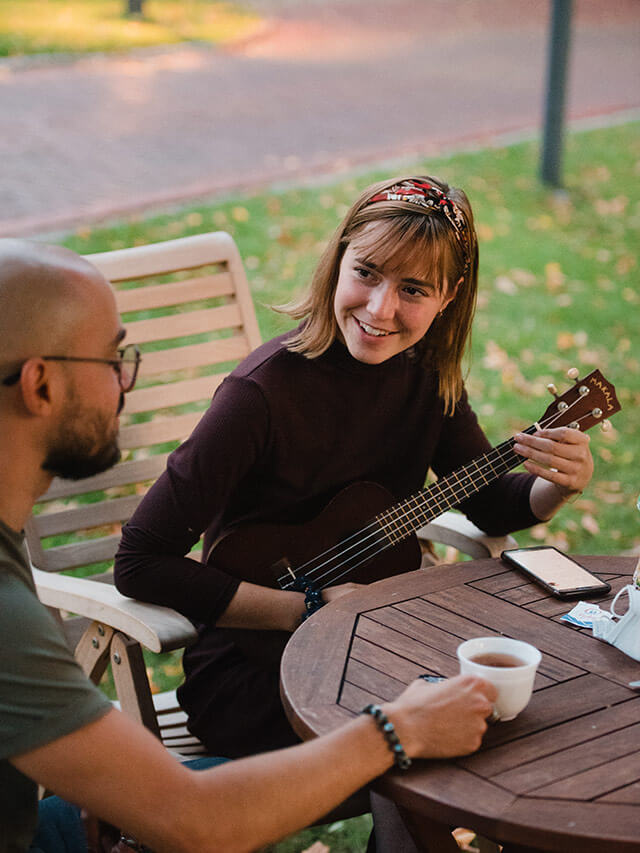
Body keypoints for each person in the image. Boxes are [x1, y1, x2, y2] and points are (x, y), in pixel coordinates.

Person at [0, 237, 499, 853]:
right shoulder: (6, 623)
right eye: (113, 359)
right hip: (242, 689)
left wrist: (105, 801)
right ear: (39, 385)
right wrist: (396, 731)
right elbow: (194, 819)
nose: (127, 384)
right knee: (432, 767)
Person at [114, 175, 594, 761]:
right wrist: (308, 609)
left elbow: (491, 504)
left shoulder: (429, 379)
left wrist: (557, 484)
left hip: (378, 643)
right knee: (430, 740)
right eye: (366, 272)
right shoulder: (258, 396)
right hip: (251, 672)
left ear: (450, 295)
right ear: (339, 261)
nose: (380, 308)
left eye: (414, 289)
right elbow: (140, 562)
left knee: (525, 711)